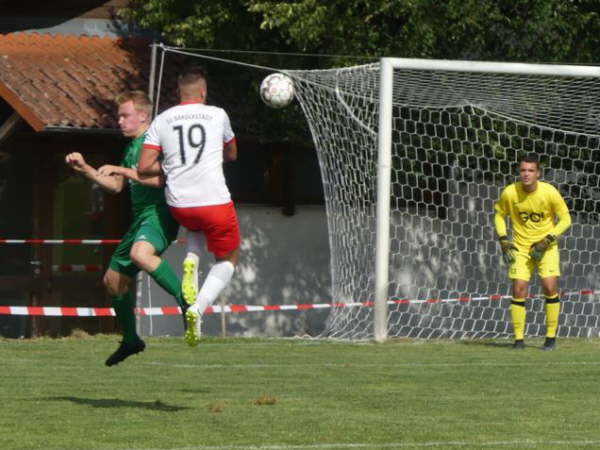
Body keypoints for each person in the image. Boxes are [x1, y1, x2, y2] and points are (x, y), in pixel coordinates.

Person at [65, 90, 186, 366]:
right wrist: (85, 169)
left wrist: (122, 171)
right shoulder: (132, 147)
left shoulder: (154, 143)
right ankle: (131, 339)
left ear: (143, 116)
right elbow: (116, 186)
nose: (119, 121)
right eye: (119, 115)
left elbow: (164, 181)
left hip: (159, 213)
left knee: (140, 255)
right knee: (113, 281)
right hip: (139, 219)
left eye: (125, 115)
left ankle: (187, 301)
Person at [138, 66, 240, 347]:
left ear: (179, 93)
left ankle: (191, 259)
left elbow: (144, 166)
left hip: (180, 205)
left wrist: (173, 163)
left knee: (195, 224)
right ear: (203, 92)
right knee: (228, 259)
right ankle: (197, 308)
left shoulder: (162, 119)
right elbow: (232, 153)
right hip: (214, 201)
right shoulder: (218, 114)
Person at [494, 154, 571, 350]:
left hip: (546, 247)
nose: (526, 174)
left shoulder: (549, 192)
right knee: (519, 289)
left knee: (549, 287)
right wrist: (503, 239)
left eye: (530, 171)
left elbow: (565, 220)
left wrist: (547, 240)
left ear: (538, 173)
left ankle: (551, 337)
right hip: (520, 247)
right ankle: (519, 340)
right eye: (523, 170)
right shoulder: (510, 193)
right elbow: (500, 216)